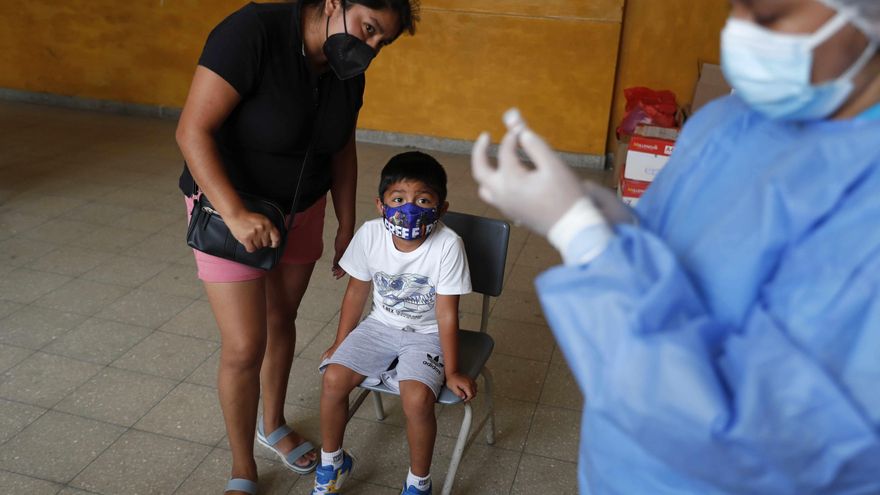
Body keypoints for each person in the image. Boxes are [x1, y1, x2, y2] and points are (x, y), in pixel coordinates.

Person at [471, 0, 880, 493]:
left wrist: (579, 232)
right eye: (737, 6)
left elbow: (752, 444)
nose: (740, 32)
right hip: (622, 461)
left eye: (768, 16)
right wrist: (602, 214)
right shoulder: (731, 120)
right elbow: (671, 241)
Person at [174, 1, 419, 493]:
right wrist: (236, 213)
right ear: (333, 3)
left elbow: (341, 147)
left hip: (302, 209)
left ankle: (274, 424)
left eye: (381, 43)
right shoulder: (252, 33)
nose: (369, 48)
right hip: (229, 211)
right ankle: (243, 466)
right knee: (245, 345)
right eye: (368, 29)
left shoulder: (346, 68)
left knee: (281, 319)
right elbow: (191, 130)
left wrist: (346, 222)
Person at [314, 151, 474, 495]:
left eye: (423, 200)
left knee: (415, 398)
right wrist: (342, 342)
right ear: (380, 204)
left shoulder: (448, 245)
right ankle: (332, 462)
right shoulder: (371, 235)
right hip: (380, 325)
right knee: (333, 379)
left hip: (427, 334)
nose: (409, 209)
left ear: (441, 208)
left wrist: (453, 371)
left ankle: (419, 484)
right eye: (398, 199)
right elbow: (356, 294)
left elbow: (447, 313)